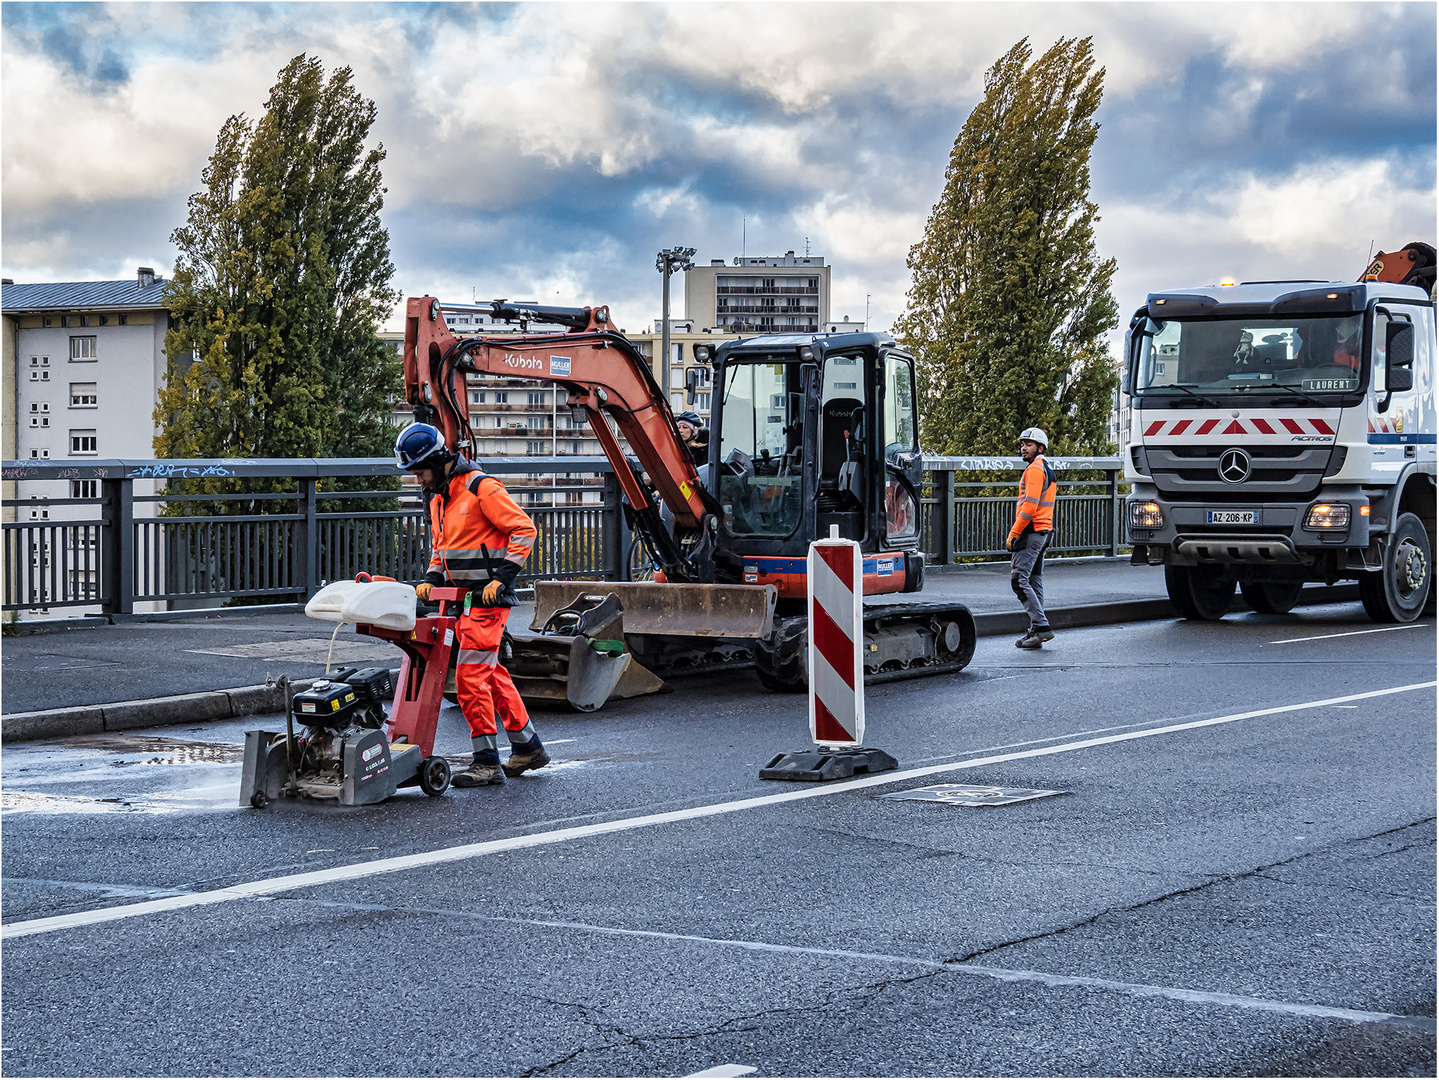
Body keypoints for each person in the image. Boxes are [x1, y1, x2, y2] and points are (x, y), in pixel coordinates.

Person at [394, 422, 549, 787]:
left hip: (488, 600)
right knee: (490, 673)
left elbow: (524, 529)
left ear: (437, 460)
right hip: (461, 600)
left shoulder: (481, 487)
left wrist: (502, 579)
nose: (418, 480)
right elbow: (441, 548)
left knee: (469, 678)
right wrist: (431, 580)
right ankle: (528, 747)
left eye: (420, 472)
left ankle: (486, 762)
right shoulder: (437, 498)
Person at [1007, 427, 1057, 649]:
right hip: (1044, 531)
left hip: (1031, 531)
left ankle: (1041, 626)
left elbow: (1030, 505)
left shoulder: (1035, 470)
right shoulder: (1046, 468)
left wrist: (1014, 532)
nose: (1023, 448)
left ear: (1040, 448)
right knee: (1034, 581)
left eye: (1028, 444)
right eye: (1022, 444)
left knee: (1019, 580)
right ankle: (1037, 631)